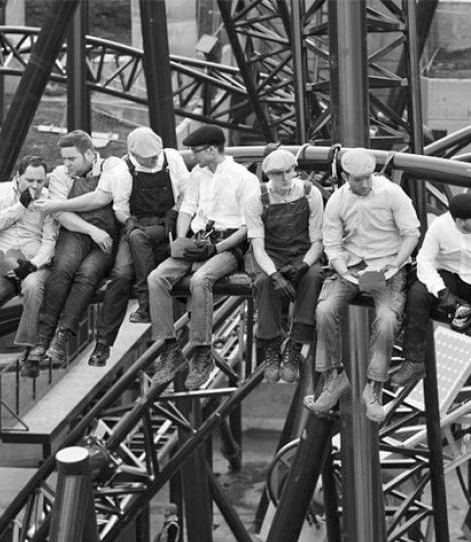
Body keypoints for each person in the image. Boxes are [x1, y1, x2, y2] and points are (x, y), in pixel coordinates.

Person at [304, 147, 420, 422]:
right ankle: (333, 377)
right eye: (358, 179)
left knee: (387, 318)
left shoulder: (392, 193)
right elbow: (332, 243)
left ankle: (374, 388)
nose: (366, 183)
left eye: (369, 177)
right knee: (324, 310)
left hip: (388, 266)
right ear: (346, 177)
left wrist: (395, 264)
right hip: (352, 266)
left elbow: (411, 233)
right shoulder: (337, 201)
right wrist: (343, 269)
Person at [148, 125, 258, 389]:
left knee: (201, 279)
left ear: (211, 150)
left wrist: (216, 249)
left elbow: (247, 227)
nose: (192, 156)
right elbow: (187, 208)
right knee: (156, 278)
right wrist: (181, 240)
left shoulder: (244, 178)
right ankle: (170, 348)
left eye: (196, 151)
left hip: (227, 245)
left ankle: (202, 351)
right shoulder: (198, 174)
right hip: (198, 239)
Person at [390, 192, 471, 418]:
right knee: (418, 294)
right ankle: (414, 361)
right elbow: (424, 262)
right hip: (449, 276)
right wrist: (442, 293)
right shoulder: (440, 227)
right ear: (460, 222)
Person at [87, 127, 189, 367]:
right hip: (136, 225)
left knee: (136, 242)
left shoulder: (172, 159)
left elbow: (187, 192)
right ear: (133, 153)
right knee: (121, 275)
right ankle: (103, 343)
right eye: (147, 157)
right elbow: (120, 209)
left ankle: (145, 305)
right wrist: (131, 223)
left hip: (165, 226)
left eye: (155, 155)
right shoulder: (122, 170)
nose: (152, 160)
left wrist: (174, 212)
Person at [28, 130, 130, 365]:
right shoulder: (60, 174)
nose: (66, 163)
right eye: (64, 158)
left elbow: (100, 198)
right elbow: (61, 214)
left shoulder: (111, 167)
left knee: (87, 273)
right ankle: (43, 339)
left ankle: (62, 336)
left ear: (90, 154)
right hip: (78, 232)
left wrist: (59, 205)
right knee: (63, 269)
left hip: (106, 237)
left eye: (71, 158)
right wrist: (92, 230)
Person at [243, 148, 324, 382]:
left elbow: (317, 241)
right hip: (271, 254)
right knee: (263, 282)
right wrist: (275, 275)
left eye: (290, 171)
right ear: (269, 175)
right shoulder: (256, 199)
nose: (286, 178)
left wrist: (303, 265)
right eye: (279, 173)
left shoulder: (310, 193)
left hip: (303, 252)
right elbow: (258, 248)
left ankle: (295, 344)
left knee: (313, 277)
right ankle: (271, 347)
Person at [0, 156, 57, 377]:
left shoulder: (48, 199)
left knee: (32, 287)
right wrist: (20, 206)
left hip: (35, 264)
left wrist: (32, 265)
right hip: (4, 263)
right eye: (30, 180)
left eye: (40, 181)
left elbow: (50, 241)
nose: (35, 186)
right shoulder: (0, 191)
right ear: (18, 176)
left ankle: (30, 354)